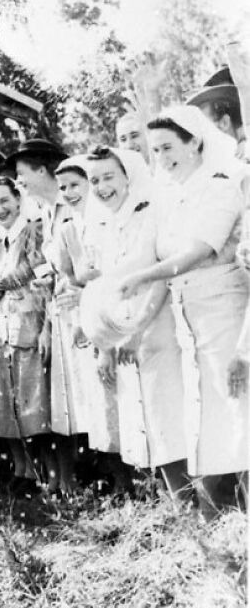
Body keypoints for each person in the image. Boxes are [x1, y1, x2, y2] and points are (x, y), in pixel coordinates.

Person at [117, 105, 249, 516]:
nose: (161, 157)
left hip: (224, 309)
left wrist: (143, 276)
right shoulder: (169, 196)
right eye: (155, 150)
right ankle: (223, 513)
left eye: (169, 147)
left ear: (194, 143)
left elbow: (199, 251)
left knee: (238, 407)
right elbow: (160, 259)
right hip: (188, 315)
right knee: (206, 415)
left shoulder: (221, 186)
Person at [80, 148, 188, 497]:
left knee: (170, 416)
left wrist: (137, 329)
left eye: (109, 177)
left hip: (159, 326)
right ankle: (176, 505)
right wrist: (105, 345)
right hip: (123, 334)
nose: (102, 187)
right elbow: (102, 289)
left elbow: (162, 276)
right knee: (146, 422)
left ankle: (200, 505)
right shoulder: (102, 226)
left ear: (127, 175)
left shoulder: (152, 212)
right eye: (94, 180)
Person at [0, 176, 51, 485]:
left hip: (31, 324)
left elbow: (36, 272)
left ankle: (50, 475)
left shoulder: (32, 232)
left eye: (4, 201)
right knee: (13, 403)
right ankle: (25, 471)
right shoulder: (0, 243)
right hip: (7, 328)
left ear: (18, 200)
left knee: (36, 402)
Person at [43, 157, 92, 494]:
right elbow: (64, 273)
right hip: (73, 310)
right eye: (64, 187)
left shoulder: (101, 223)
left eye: (76, 184)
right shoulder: (66, 227)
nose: (69, 192)